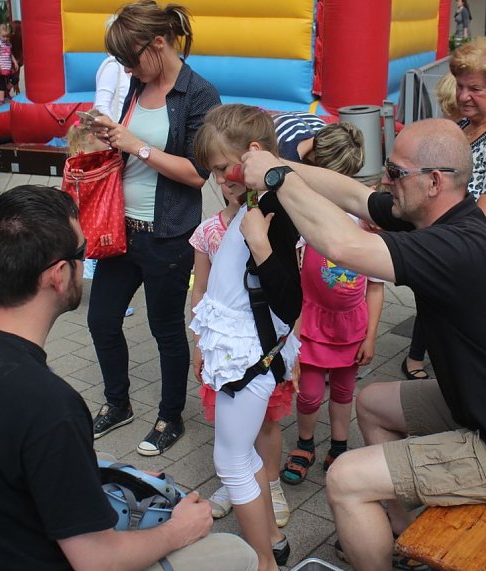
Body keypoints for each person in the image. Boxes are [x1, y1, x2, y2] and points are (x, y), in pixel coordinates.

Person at [237, 118, 486, 571]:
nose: (384, 182)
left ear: (434, 181)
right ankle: (399, 534)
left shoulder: (457, 246)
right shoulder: (437, 213)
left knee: (344, 479)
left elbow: (342, 243)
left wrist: (276, 179)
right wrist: (280, 163)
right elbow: (353, 195)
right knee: (372, 402)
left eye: (395, 173)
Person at [0, 185, 258, 571]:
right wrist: (178, 530)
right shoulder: (49, 405)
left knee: (102, 460)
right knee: (234, 553)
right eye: (81, 253)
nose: (85, 262)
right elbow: (97, 562)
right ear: (58, 275)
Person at [87, 0, 220, 456]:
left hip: (167, 234)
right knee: (101, 319)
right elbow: (132, 144)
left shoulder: (199, 94)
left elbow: (198, 173)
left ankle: (170, 416)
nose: (126, 68)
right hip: (120, 230)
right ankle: (117, 403)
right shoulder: (136, 85)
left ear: (158, 43)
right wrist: (111, 138)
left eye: (130, 59)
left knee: (165, 330)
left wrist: (137, 146)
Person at [191, 103, 301, 571]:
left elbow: (290, 302)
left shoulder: (275, 212)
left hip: (251, 357)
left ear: (253, 153)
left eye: (222, 169)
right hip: (247, 352)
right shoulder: (257, 201)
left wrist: (258, 241)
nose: (219, 181)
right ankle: (271, 539)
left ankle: (262, 561)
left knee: (231, 460)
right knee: (242, 450)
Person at [401, 36, 486, 379]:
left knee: (478, 364)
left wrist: (417, 236)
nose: (462, 96)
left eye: (474, 88)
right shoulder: (463, 127)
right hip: (452, 258)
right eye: (460, 86)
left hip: (485, 270)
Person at [280, 128, 384, 487]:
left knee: (343, 392)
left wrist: (370, 335)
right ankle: (304, 442)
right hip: (310, 324)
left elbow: (375, 286)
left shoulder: (365, 222)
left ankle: (340, 444)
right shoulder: (305, 217)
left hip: (351, 326)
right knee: (308, 394)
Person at [94, 16, 131, 121]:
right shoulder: (113, 65)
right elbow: (101, 106)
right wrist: (115, 128)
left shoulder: (134, 66)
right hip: (116, 132)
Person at [0, 22, 18, 104]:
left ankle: (7, 90)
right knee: (1, 85)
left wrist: (15, 61)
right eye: (3, 36)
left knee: (15, 79)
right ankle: (1, 101)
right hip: (1, 68)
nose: (5, 38)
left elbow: (10, 53)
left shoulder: (8, 43)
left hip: (8, 68)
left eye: (7, 36)